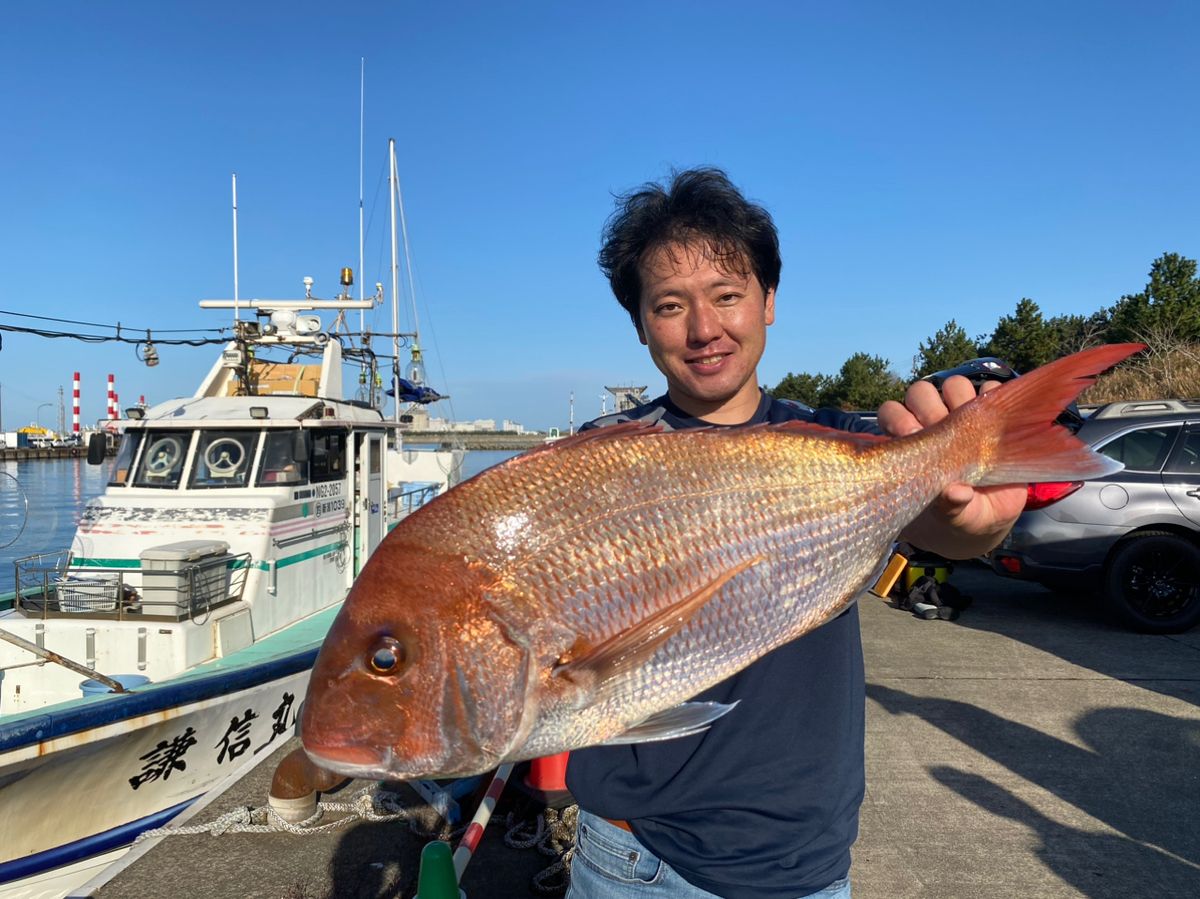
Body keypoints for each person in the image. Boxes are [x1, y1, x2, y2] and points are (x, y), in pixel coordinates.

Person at [564, 168, 1025, 899]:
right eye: (670, 304)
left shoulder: (841, 444)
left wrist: (970, 521)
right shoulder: (599, 464)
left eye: (727, 295)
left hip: (803, 864)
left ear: (769, 300)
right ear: (641, 322)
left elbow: (946, 532)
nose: (703, 328)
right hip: (633, 857)